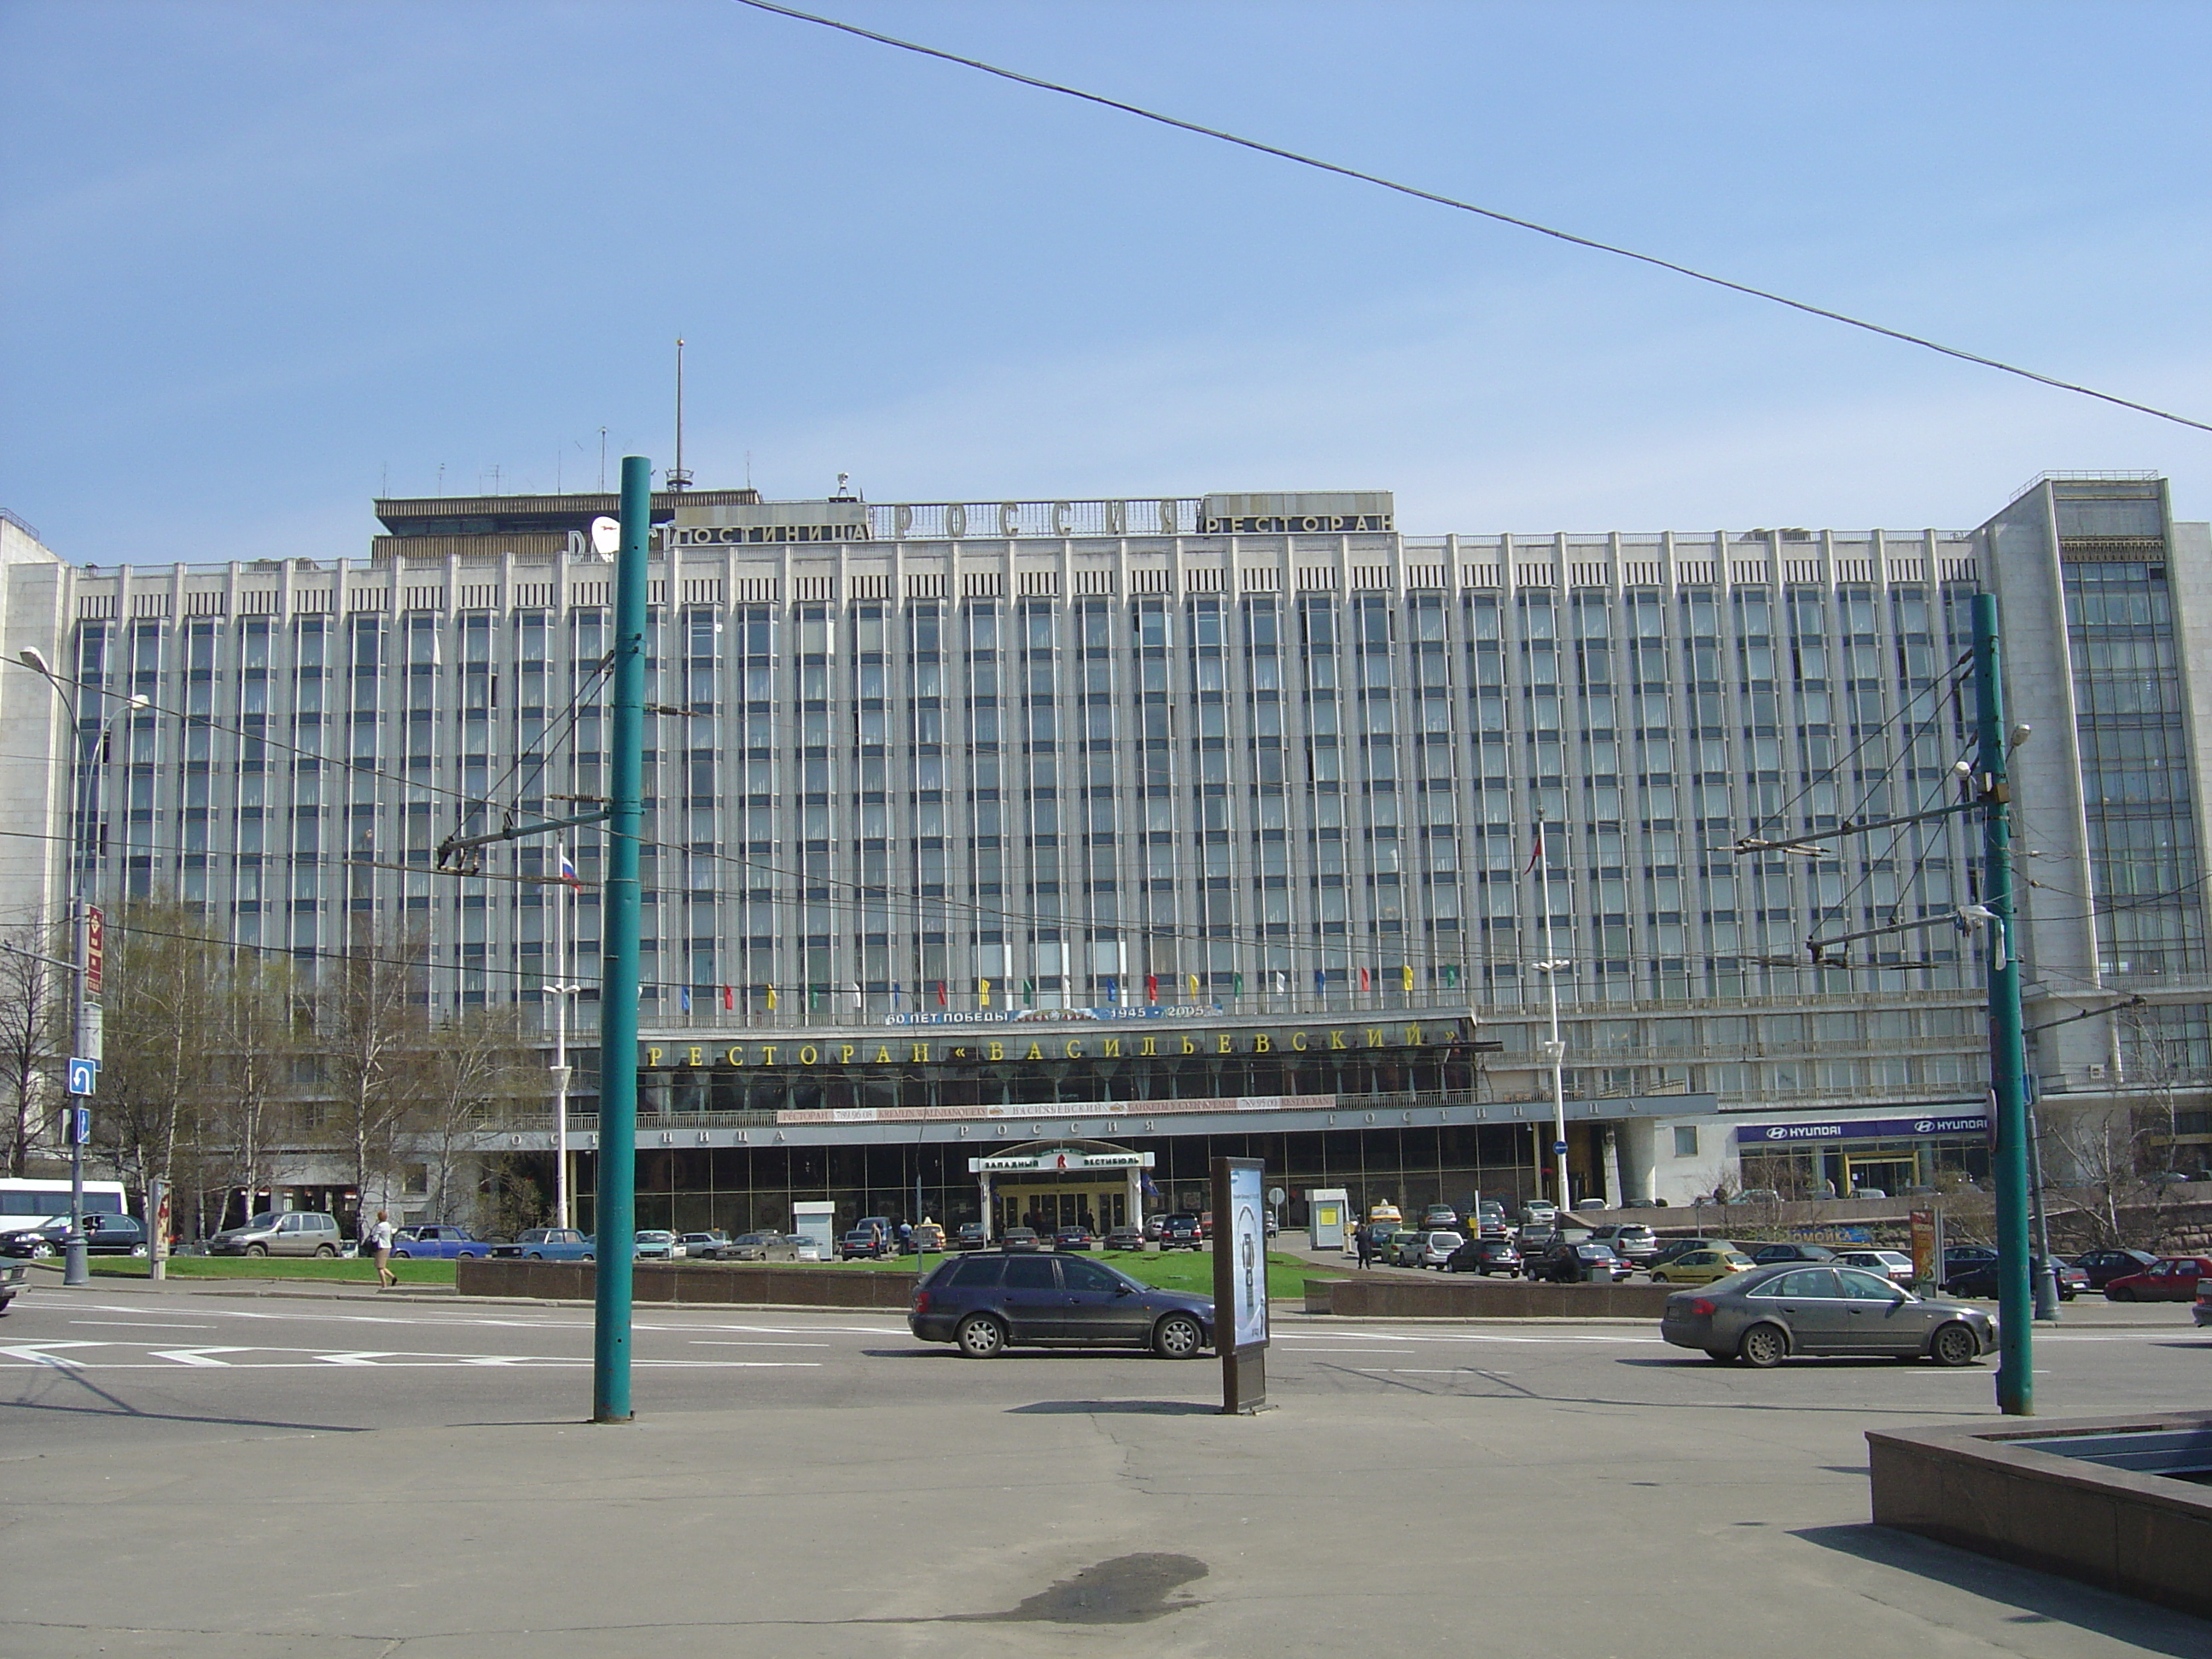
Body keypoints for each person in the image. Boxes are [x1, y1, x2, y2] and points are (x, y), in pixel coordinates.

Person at [365, 1209, 397, 1289]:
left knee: (379, 1267)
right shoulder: (388, 1225)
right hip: (388, 1246)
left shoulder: (380, 1226)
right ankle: (393, 1278)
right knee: (382, 1266)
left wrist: (372, 1241)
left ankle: (384, 1285)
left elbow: (375, 1237)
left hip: (381, 1247)